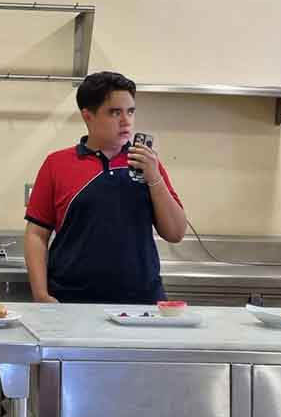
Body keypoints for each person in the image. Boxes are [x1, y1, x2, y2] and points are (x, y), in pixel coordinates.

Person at [23, 71, 187, 304]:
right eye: (115, 112)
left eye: (130, 111)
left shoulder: (148, 164)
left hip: (141, 304)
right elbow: (36, 234)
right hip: (72, 302)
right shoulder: (57, 164)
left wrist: (154, 177)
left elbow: (175, 233)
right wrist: (41, 294)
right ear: (88, 116)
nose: (126, 121)